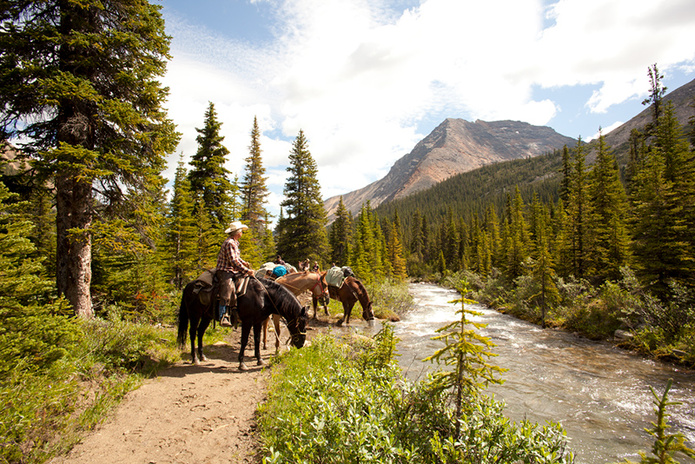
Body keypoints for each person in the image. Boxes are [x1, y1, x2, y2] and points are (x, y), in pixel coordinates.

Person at [216, 221, 254, 327]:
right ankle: (223, 315)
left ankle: (237, 312)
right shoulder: (230, 243)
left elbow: (237, 258)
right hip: (225, 271)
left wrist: (244, 263)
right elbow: (233, 261)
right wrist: (247, 271)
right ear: (237, 232)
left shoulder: (235, 243)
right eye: (241, 230)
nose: (242, 232)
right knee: (228, 288)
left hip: (232, 270)